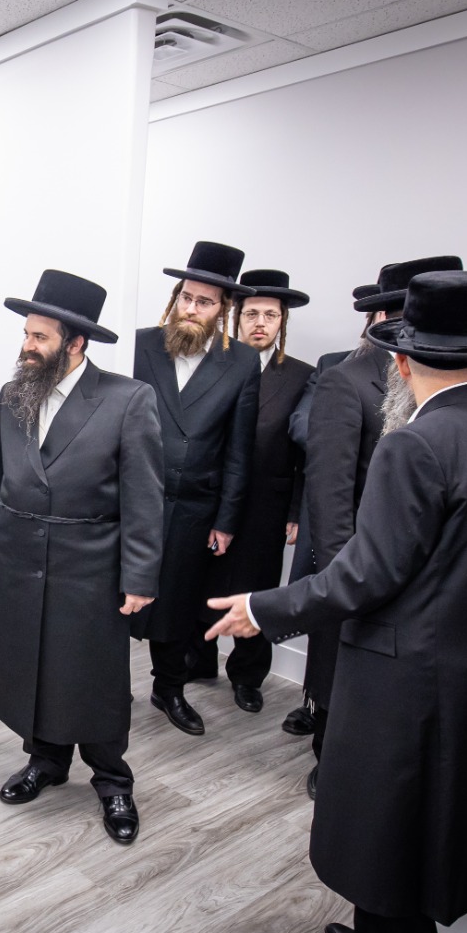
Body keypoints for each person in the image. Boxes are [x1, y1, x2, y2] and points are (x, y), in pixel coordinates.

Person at [207, 271, 467, 933]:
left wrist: (261, 609)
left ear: (402, 364)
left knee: (387, 837)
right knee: (435, 833)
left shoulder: (416, 444)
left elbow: (364, 576)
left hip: (411, 685)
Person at [0, 270, 162, 844]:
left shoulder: (128, 399)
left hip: (90, 565)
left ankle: (113, 780)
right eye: (26, 334)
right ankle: (46, 761)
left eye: (39, 337)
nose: (27, 345)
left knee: (92, 676)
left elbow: (145, 498)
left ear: (75, 342)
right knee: (31, 665)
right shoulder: (14, 394)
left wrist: (140, 576)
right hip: (18, 555)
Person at [298, 255, 460, 795]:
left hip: (422, 570)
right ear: (389, 319)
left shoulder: (447, 382)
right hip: (358, 562)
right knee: (340, 671)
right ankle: (328, 758)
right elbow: (330, 493)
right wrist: (345, 577)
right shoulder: (347, 381)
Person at [130, 241, 259, 736]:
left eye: (204, 302)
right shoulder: (142, 344)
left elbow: (239, 449)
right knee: (116, 595)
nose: (191, 308)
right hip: (133, 498)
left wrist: (226, 519)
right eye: (186, 297)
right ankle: (108, 683)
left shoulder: (241, 362)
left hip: (193, 506)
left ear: (222, 308)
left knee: (177, 603)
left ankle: (169, 688)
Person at [198, 270, 312, 713]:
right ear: (236, 317)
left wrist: (297, 508)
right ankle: (197, 659)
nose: (260, 323)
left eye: (270, 315)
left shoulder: (302, 376)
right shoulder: (212, 365)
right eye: (251, 314)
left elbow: (306, 450)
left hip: (268, 502)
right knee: (202, 582)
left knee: (258, 590)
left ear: (282, 321)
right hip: (211, 497)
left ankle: (247, 676)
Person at [277, 283, 378, 739]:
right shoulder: (337, 366)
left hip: (381, 518)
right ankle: (316, 705)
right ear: (370, 320)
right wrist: (338, 433)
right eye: (383, 314)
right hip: (335, 508)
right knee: (327, 616)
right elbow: (301, 423)